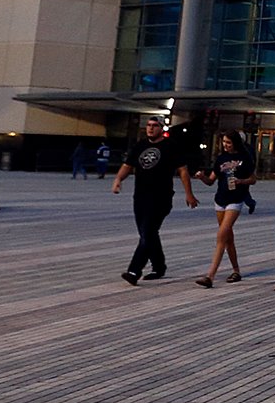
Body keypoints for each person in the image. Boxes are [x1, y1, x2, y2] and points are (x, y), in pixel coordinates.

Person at [110, 115, 196, 284]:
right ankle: (159, 266)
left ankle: (134, 271)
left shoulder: (171, 146)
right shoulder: (140, 146)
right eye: (149, 125)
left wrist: (189, 194)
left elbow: (183, 171)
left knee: (147, 233)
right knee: (148, 234)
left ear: (161, 128)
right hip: (140, 197)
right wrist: (118, 180)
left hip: (161, 197)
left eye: (155, 125)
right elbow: (128, 165)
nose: (150, 128)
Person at [193, 130, 256, 288]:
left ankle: (210, 275)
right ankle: (236, 270)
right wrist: (202, 177)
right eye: (224, 142)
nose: (225, 145)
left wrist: (241, 181)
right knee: (228, 238)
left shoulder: (245, 158)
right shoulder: (221, 158)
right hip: (220, 199)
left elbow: (253, 179)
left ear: (235, 142)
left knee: (222, 234)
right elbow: (211, 181)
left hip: (236, 200)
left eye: (228, 142)